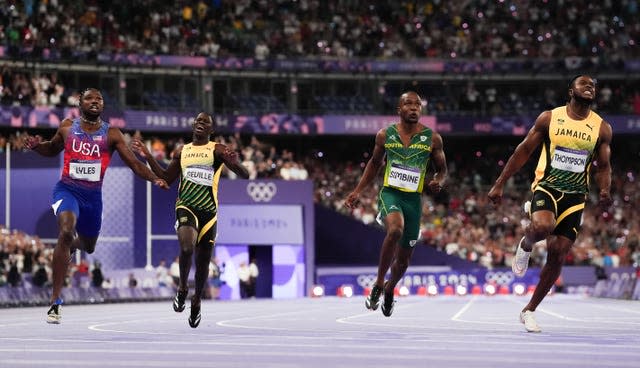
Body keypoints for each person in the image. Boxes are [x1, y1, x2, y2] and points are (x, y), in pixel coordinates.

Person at [22, 88, 169, 324]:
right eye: (89, 98)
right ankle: (55, 301)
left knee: (89, 246)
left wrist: (154, 177)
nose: (94, 101)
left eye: (98, 98)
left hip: (93, 198)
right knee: (66, 230)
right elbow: (51, 148)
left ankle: (69, 246)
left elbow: (134, 163)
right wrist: (37, 146)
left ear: (103, 104)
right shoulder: (67, 127)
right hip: (67, 189)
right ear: (80, 103)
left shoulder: (112, 134)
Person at [488, 75, 612, 332]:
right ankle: (526, 242)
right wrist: (500, 182)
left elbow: (604, 166)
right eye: (583, 83)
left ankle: (529, 310)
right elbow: (523, 151)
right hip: (548, 187)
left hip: (576, 197)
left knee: (558, 254)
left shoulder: (601, 128)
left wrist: (605, 190)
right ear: (570, 91)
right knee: (543, 227)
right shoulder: (550, 118)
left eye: (593, 85)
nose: (589, 86)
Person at [132, 112, 249, 328]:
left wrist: (236, 164)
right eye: (198, 121)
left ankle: (196, 301)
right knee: (187, 248)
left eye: (206, 122)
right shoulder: (182, 151)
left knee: (203, 262)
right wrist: (148, 156)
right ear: (193, 126)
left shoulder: (218, 150)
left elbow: (246, 175)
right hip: (186, 205)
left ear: (211, 130)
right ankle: (183, 288)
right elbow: (167, 177)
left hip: (209, 213)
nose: (200, 124)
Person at [344, 91, 448, 317]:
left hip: (413, 199)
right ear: (398, 110)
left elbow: (442, 170)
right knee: (395, 230)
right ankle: (379, 284)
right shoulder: (384, 135)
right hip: (390, 193)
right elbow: (374, 164)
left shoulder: (433, 138)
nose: (413, 108)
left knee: (404, 259)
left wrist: (438, 181)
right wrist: (358, 191)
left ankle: (390, 288)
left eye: (417, 105)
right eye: (408, 104)